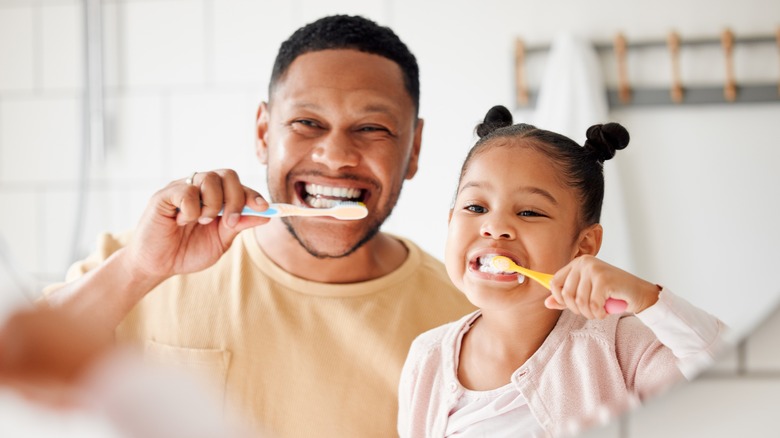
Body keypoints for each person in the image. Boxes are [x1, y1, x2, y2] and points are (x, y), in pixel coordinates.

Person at [43, 15, 475, 437]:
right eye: (308, 123)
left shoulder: (465, 318)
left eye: (372, 128)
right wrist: (138, 269)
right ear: (264, 133)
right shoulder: (139, 268)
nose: (336, 155)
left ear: (414, 149)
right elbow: (20, 369)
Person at [397, 105, 727, 437]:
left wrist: (648, 299)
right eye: (476, 207)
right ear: (451, 220)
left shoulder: (624, 349)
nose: (495, 227)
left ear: (583, 245)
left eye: (528, 212)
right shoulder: (427, 357)